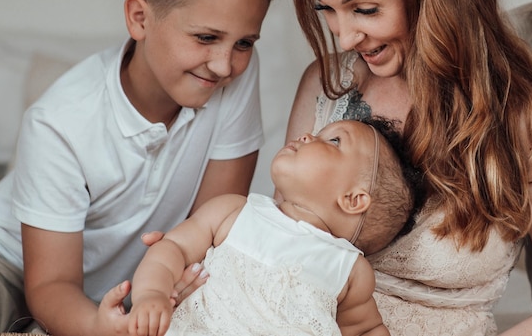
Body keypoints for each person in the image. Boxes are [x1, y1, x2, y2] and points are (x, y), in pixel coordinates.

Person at [0, 0, 283, 335]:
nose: (224, 63)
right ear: (139, 18)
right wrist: (100, 328)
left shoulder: (232, 77)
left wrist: (154, 291)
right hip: (5, 260)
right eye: (205, 37)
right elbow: (51, 285)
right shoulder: (60, 122)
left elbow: (213, 230)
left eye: (245, 43)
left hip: (149, 278)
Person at [286, 0, 532, 335]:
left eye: (364, 9)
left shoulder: (520, 113)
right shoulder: (326, 86)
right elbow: (276, 248)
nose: (344, 37)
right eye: (324, 8)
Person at [128, 118, 423, 336]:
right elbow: (172, 247)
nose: (308, 135)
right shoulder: (233, 210)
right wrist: (152, 293)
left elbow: (366, 329)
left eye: (334, 141)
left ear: (353, 199)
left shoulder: (349, 270)